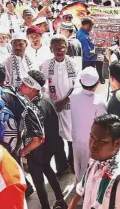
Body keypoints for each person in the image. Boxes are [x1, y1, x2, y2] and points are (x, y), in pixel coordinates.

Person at [17, 70, 67, 209]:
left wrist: (22, 151)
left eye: (24, 84)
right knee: (48, 169)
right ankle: (60, 200)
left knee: (38, 181)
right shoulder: (46, 98)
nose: (21, 85)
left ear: (32, 88)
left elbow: (37, 140)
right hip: (50, 146)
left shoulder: (32, 109)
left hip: (37, 151)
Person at [68, 114, 120, 209]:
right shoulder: (95, 161)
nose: (93, 145)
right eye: (92, 137)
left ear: (117, 144)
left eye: (101, 141)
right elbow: (80, 192)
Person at [39, 34, 77, 176]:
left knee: (71, 136)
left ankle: (73, 162)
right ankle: (62, 166)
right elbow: (43, 85)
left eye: (62, 48)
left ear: (66, 48)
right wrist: (51, 103)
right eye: (56, 48)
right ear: (51, 49)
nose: (59, 51)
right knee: (55, 136)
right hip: (52, 106)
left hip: (69, 105)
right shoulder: (46, 64)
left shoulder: (73, 63)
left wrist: (64, 101)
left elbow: (77, 85)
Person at [69, 67, 106, 183]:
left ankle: (79, 186)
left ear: (80, 82)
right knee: (88, 167)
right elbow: (103, 123)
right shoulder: (99, 101)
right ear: (98, 83)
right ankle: (84, 192)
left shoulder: (73, 95)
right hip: (91, 140)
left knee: (77, 163)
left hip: (76, 137)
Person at [77, 17, 103, 83]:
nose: (91, 28)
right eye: (91, 26)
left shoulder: (80, 33)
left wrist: (95, 45)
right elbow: (88, 54)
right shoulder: (84, 37)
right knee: (89, 82)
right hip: (88, 63)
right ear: (87, 25)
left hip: (86, 62)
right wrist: (97, 49)